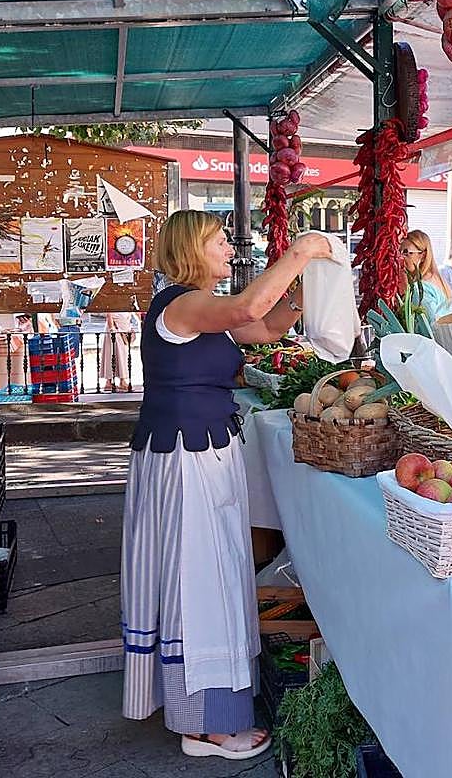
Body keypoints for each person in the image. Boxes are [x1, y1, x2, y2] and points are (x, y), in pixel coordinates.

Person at [122, 209, 331, 760]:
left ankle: (207, 713)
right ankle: (204, 726)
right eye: (220, 241)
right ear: (193, 248)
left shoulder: (200, 306)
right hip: (185, 458)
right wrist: (300, 252)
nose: (230, 250)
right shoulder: (183, 303)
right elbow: (246, 309)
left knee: (210, 574)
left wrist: (305, 291)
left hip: (202, 451)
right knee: (199, 580)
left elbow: (264, 328)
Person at [403, 229, 452, 323]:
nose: (401, 257)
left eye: (406, 252)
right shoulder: (436, 278)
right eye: (400, 252)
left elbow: (430, 323)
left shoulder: (421, 288)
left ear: (422, 255)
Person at [101, 310, 139, 392]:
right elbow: (109, 314)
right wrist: (111, 328)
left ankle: (117, 381)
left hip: (123, 330)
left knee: (122, 356)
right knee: (112, 354)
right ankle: (114, 381)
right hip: (115, 330)